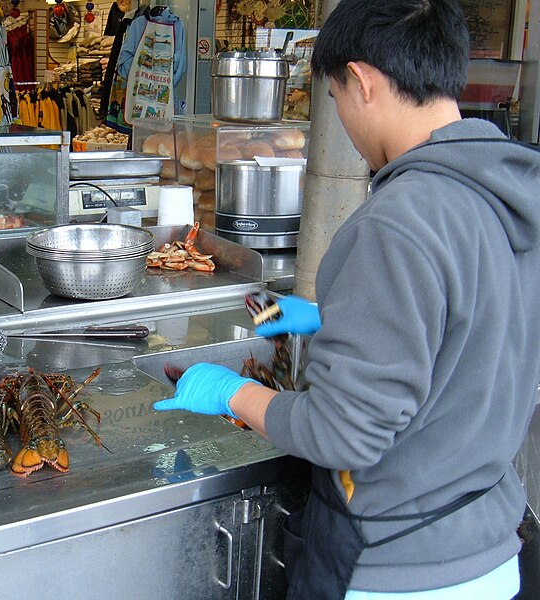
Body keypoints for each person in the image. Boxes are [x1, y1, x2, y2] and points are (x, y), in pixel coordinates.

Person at [154, 1, 540, 598]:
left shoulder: (398, 223)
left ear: (360, 82)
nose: (342, 122)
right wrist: (340, 318)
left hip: (395, 567)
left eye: (333, 98)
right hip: (488, 555)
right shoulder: (509, 196)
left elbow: (342, 434)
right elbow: (468, 337)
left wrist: (234, 391)